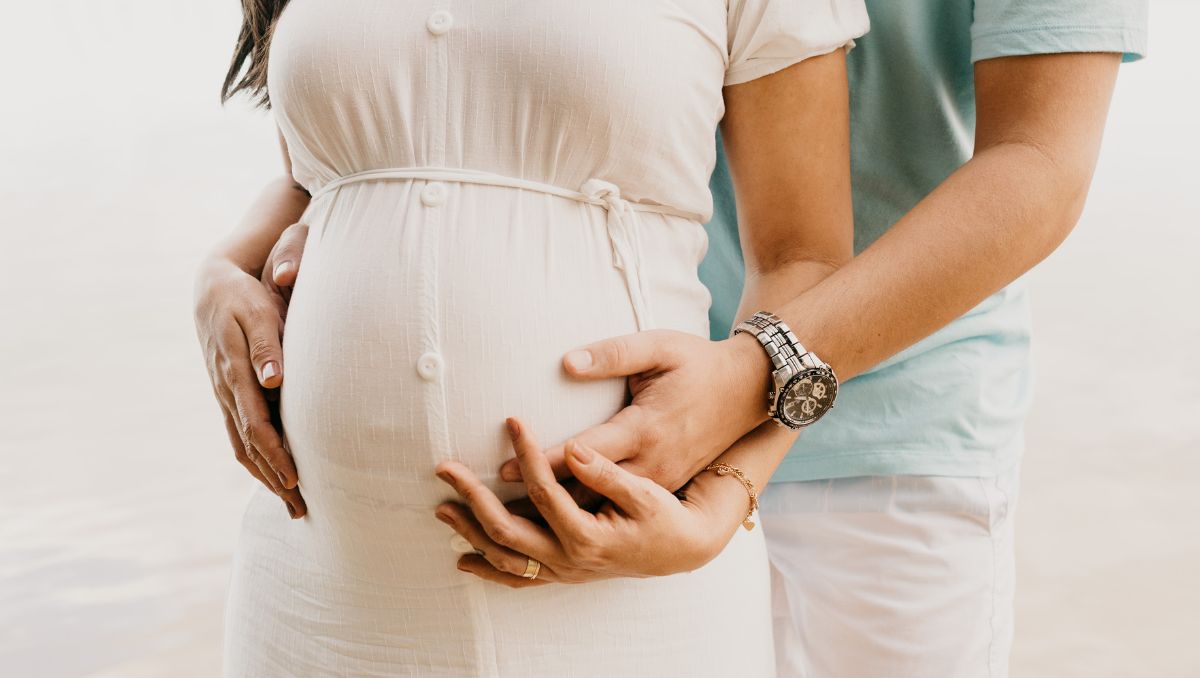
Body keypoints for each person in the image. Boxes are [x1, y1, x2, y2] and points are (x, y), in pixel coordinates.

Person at [194, 0, 868, 675]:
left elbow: (801, 257)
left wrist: (729, 487)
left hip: (626, 591)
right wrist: (224, 268)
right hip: (319, 582)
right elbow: (322, 173)